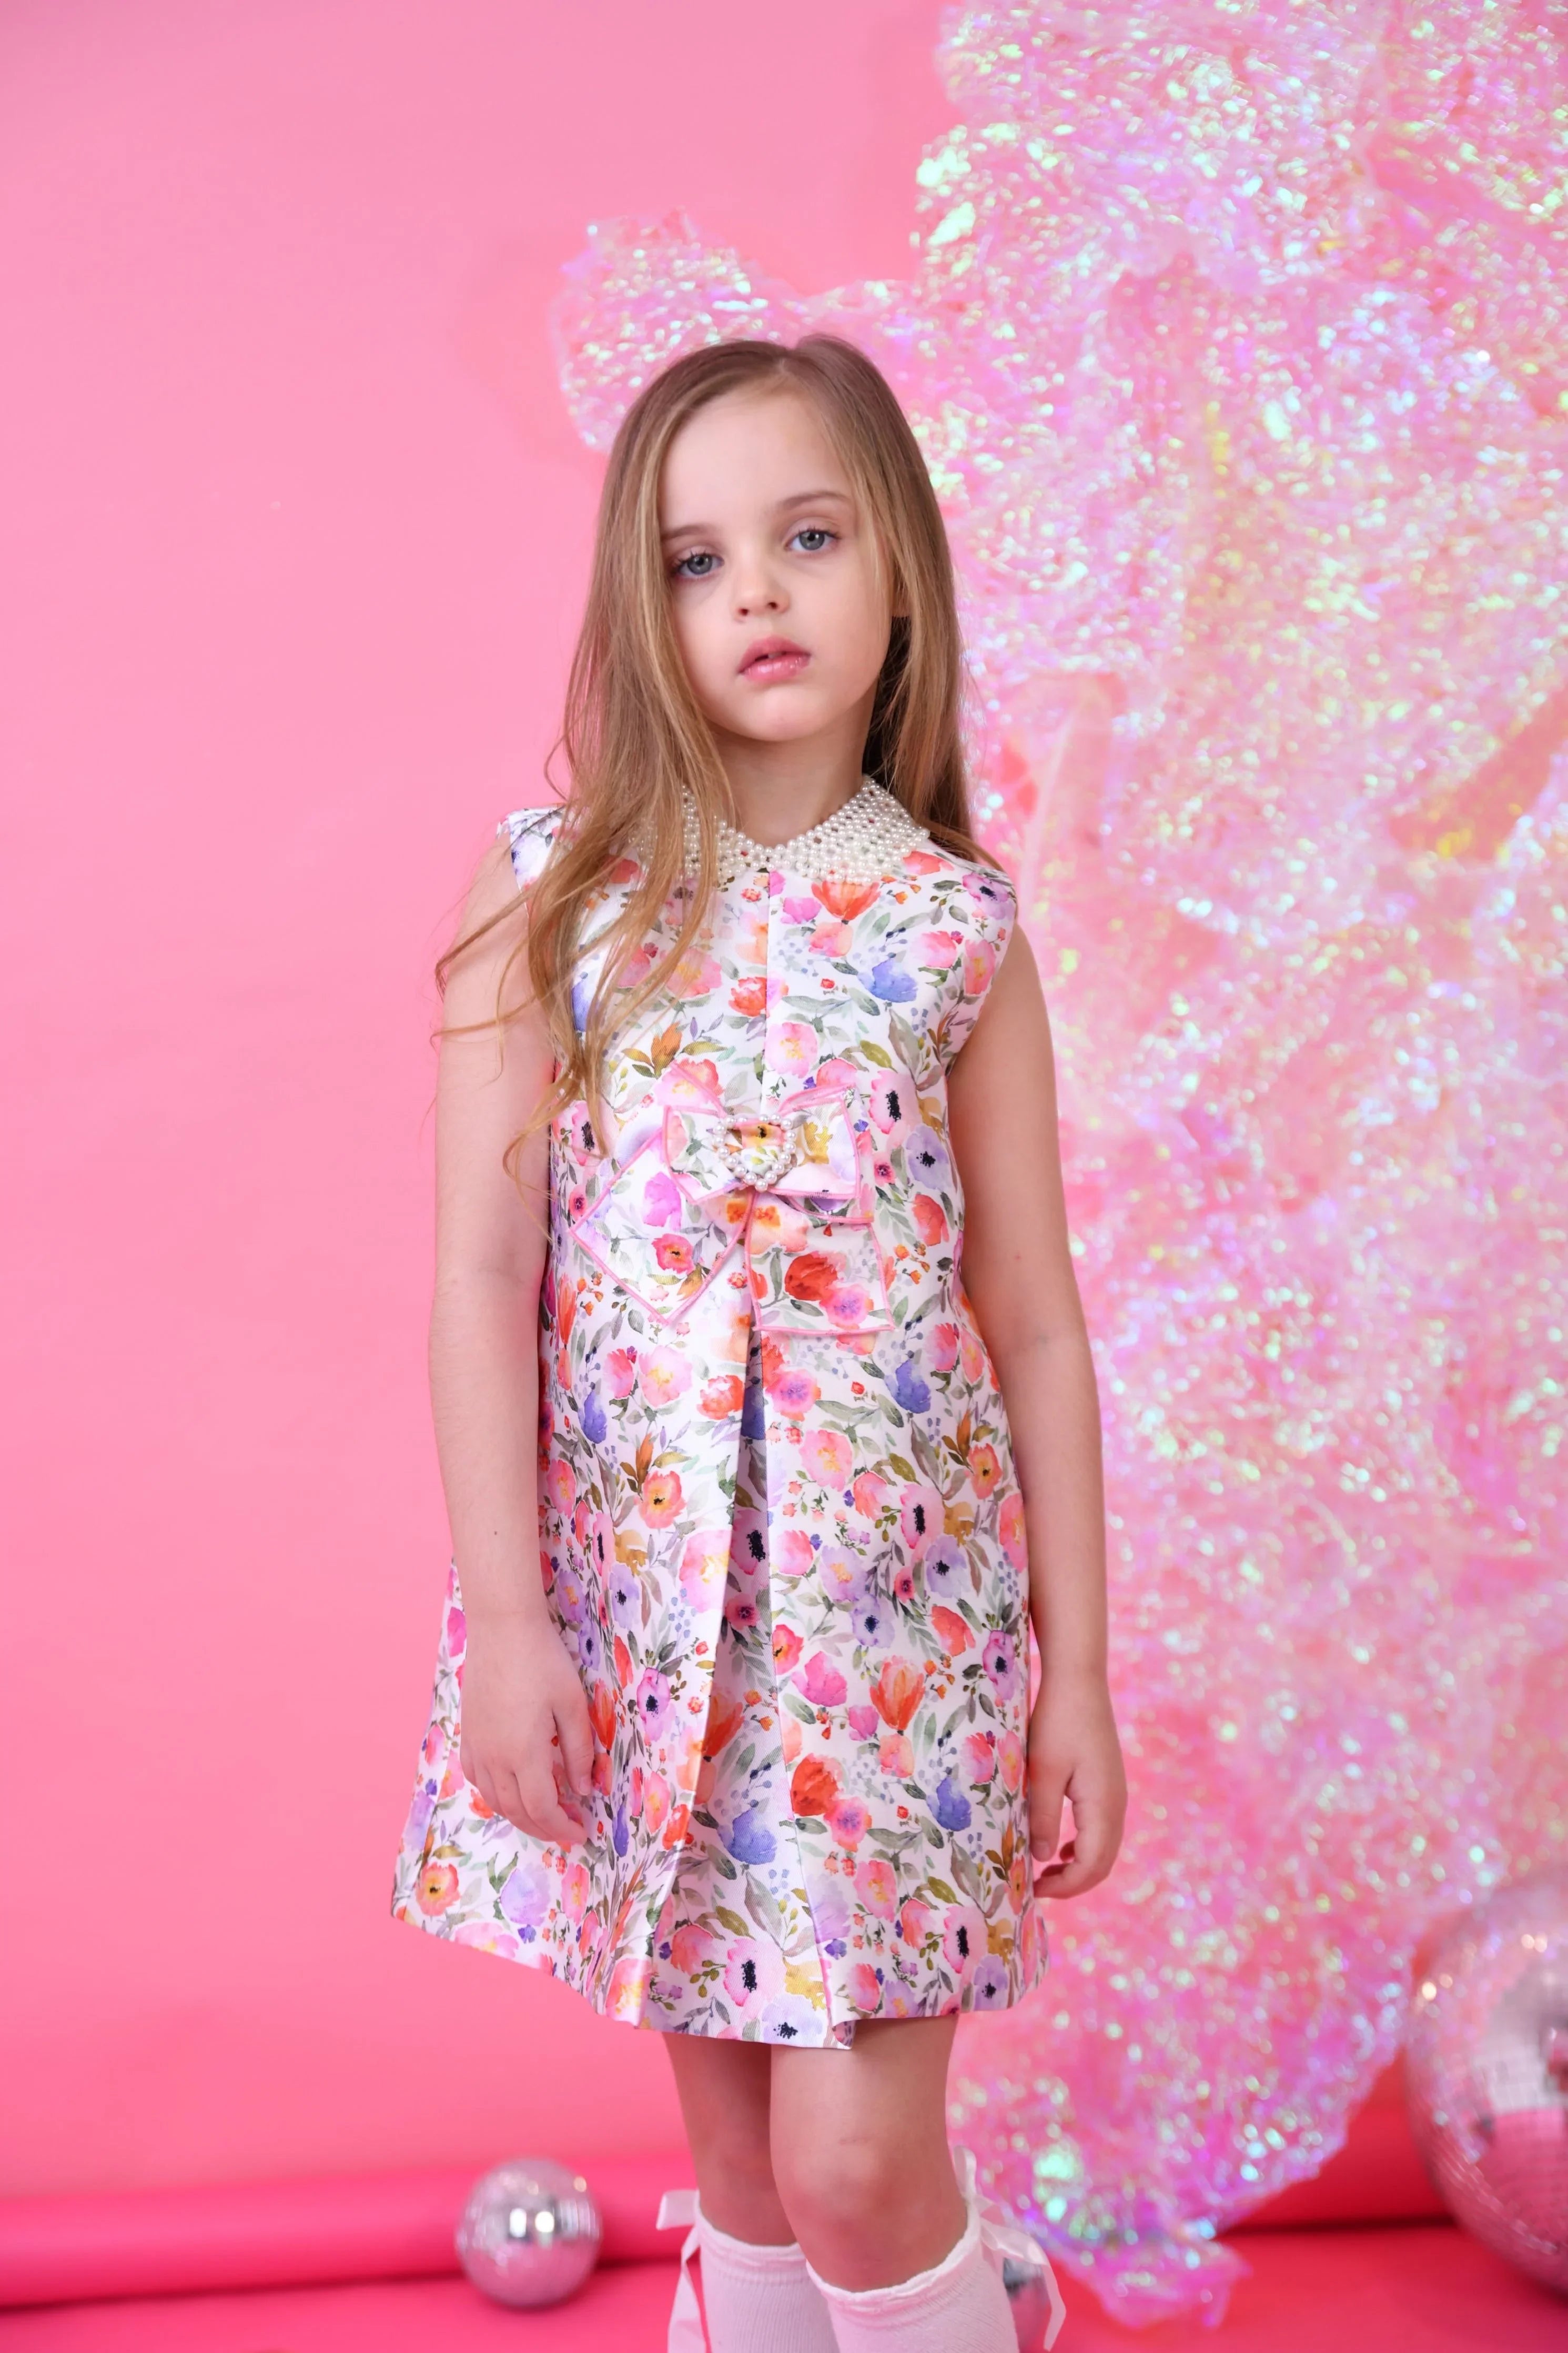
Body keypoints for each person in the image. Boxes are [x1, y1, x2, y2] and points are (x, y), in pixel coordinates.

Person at [391, 332, 1126, 2352]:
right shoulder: (555, 901)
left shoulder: (951, 925)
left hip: (901, 1643)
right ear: (648, 608)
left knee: (861, 2162)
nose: (762, 597)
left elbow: (1035, 1319)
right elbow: (480, 1276)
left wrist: (1078, 1672)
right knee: (743, 2180)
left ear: (899, 570)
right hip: (653, 1631)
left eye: (808, 538)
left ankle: (981, 2311)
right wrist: (514, 1618)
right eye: (702, 561)